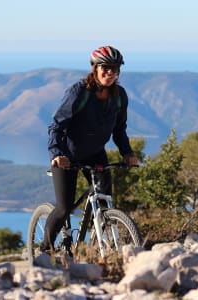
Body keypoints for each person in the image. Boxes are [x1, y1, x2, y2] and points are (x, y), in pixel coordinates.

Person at [41, 45, 139, 252]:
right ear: (95, 68)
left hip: (96, 154)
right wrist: (57, 154)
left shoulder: (119, 95)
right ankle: (44, 250)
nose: (110, 72)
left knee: (105, 203)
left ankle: (102, 246)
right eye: (106, 67)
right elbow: (57, 125)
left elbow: (119, 130)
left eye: (115, 68)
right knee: (64, 207)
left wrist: (127, 153)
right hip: (67, 155)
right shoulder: (80, 92)